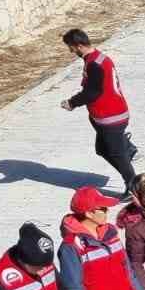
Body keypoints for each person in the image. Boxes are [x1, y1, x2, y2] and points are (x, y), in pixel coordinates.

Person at [59, 28, 137, 195]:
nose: (71, 51)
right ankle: (126, 148)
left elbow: (92, 92)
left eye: (71, 47)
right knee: (102, 149)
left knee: (116, 154)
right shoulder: (99, 58)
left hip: (111, 117)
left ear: (79, 45)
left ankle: (133, 186)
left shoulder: (94, 64)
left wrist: (72, 103)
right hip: (106, 116)